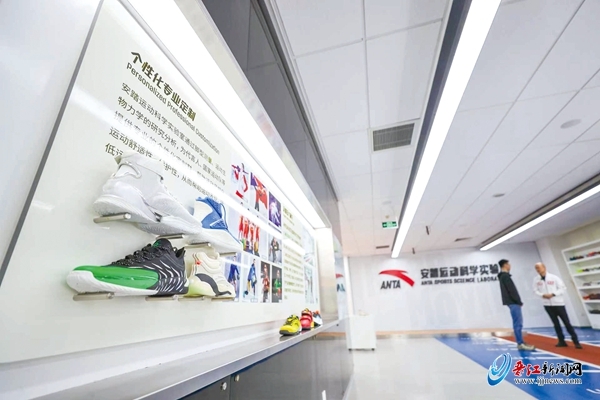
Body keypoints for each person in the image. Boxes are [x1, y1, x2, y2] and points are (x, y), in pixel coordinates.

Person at [533, 262, 582, 349]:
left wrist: (553, 294)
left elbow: (562, 288)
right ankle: (561, 341)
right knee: (555, 323)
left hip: (558, 303)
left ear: (544, 267)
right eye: (536, 268)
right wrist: (542, 295)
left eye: (539, 267)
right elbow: (535, 291)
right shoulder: (536, 280)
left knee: (566, 322)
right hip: (547, 304)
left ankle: (576, 341)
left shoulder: (554, 277)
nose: (537, 269)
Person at [498, 259, 535, 351]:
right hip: (513, 302)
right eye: (508, 264)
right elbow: (512, 291)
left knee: (517, 323)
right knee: (518, 323)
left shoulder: (503, 276)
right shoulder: (505, 276)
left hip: (511, 302)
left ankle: (520, 342)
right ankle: (520, 343)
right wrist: (518, 301)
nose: (510, 266)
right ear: (505, 265)